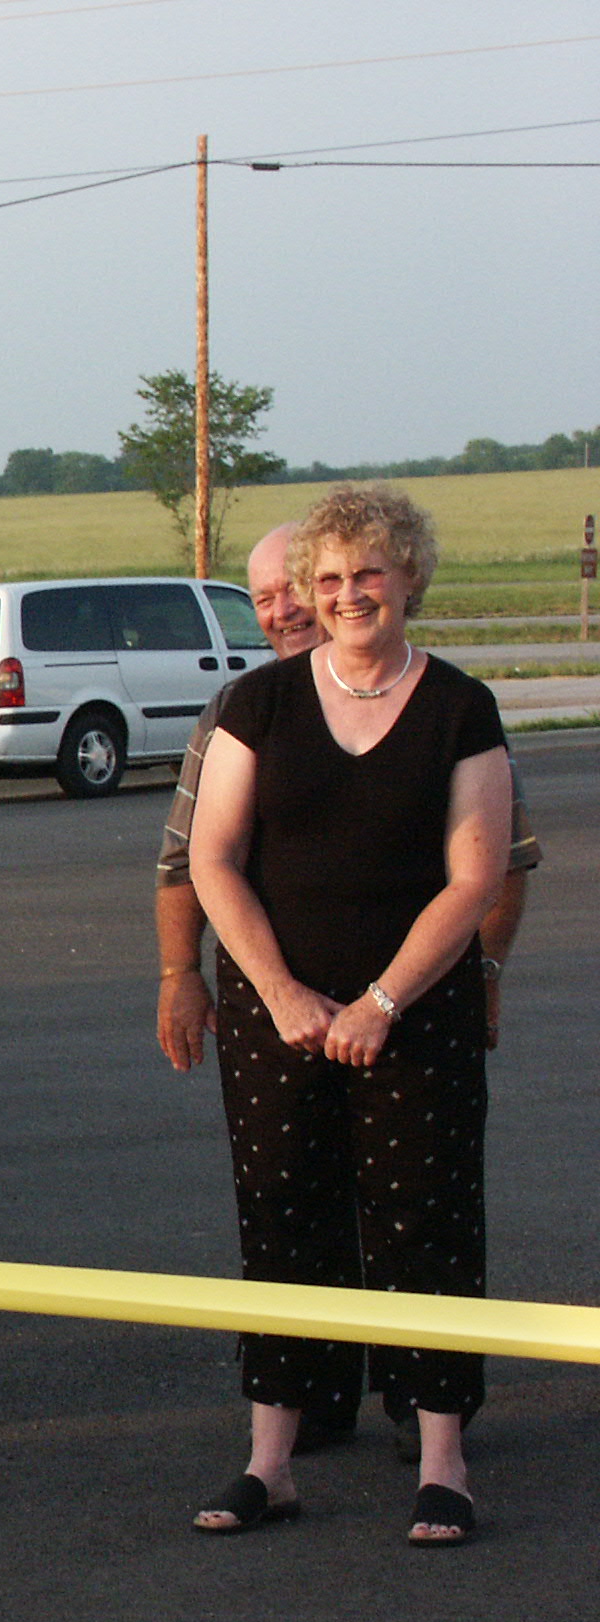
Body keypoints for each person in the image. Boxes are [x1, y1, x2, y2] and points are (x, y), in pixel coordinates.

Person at [153, 522, 538, 1457]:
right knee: (283, 1214)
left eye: (368, 572)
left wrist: (409, 994)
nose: (342, 594)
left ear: (409, 579)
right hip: (276, 1018)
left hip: (415, 1011)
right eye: (323, 578)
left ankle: (436, 1438)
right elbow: (201, 857)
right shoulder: (253, 703)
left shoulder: (460, 707)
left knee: (428, 1220)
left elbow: (488, 871)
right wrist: (252, 988)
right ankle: (285, 1442)